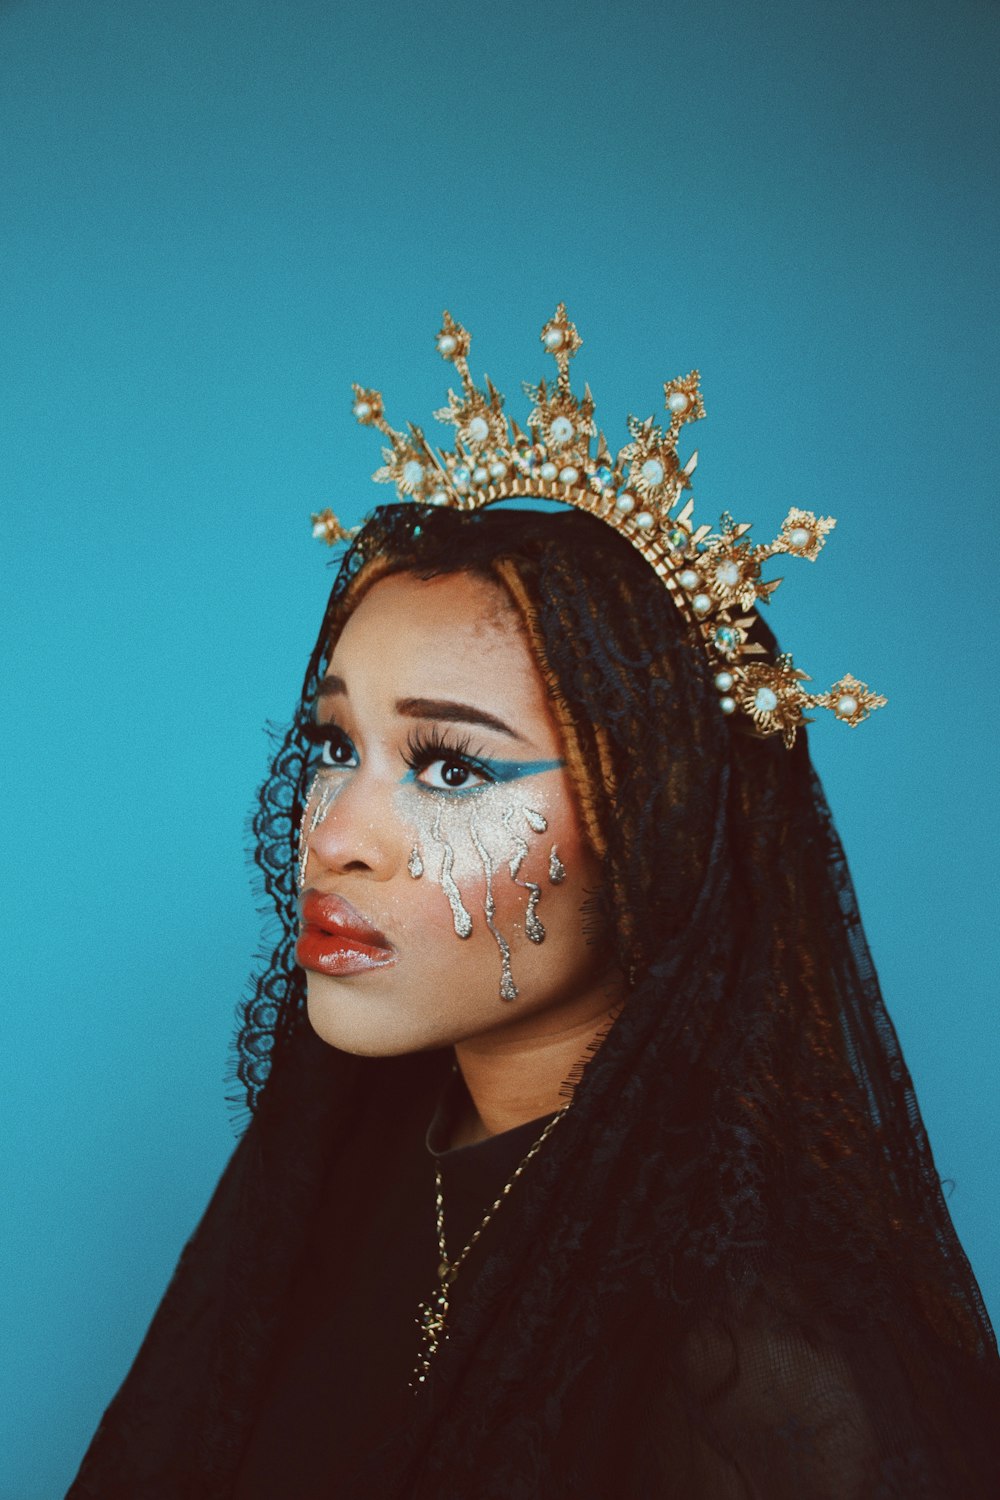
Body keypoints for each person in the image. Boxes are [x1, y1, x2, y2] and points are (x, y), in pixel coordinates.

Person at [68, 311, 1000, 1498]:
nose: (335, 839)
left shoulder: (758, 1367)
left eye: (452, 766)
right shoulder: (332, 1178)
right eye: (332, 743)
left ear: (648, 825)